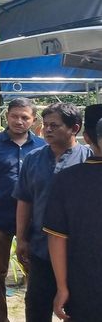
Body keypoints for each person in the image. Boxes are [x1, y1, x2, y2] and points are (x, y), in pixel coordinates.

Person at [13, 102, 91, 322]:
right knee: (36, 307)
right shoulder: (33, 159)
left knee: (79, 310)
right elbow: (24, 200)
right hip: (40, 249)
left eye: (54, 126)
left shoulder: (88, 159)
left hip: (78, 254)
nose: (47, 130)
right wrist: (21, 239)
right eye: (45, 125)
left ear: (74, 128)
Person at [0, 97, 45, 322]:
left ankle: (33, 316)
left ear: (33, 120)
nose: (19, 121)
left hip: (32, 222)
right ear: (7, 116)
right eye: (15, 116)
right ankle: (0, 318)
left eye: (25, 117)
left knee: (35, 272)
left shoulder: (42, 147)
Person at [44, 104, 102, 321]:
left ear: (86, 137)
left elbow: (57, 237)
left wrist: (62, 287)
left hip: (85, 284)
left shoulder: (67, 180)